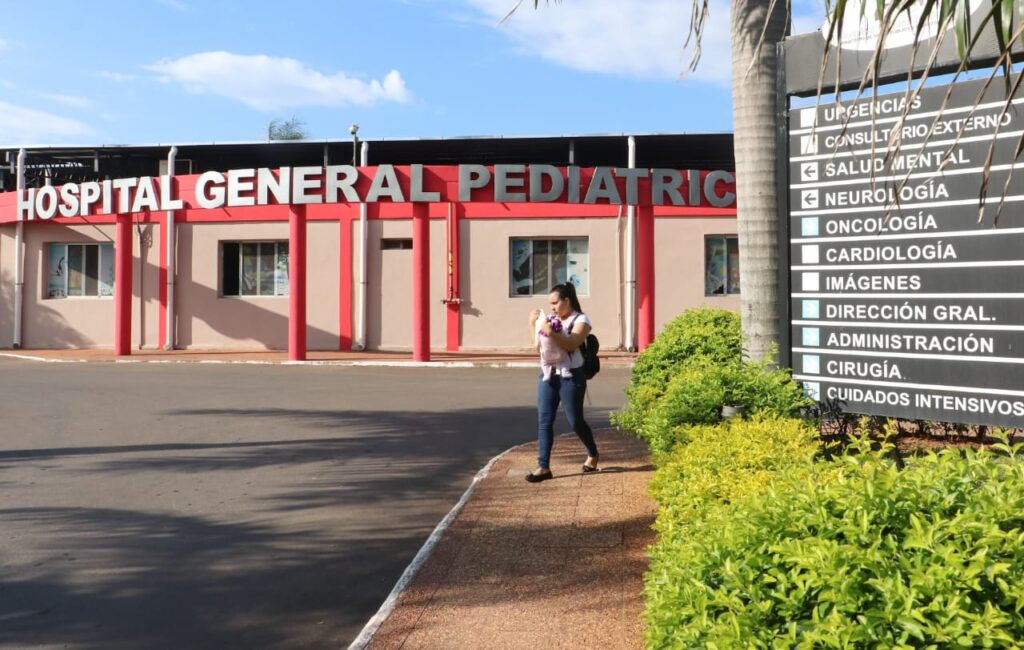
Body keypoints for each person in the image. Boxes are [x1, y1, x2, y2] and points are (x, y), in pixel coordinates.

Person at [525, 283, 599, 483]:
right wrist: (533, 324)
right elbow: (538, 348)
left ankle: (592, 453)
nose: (552, 308)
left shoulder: (581, 320)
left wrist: (551, 332)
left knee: (575, 420)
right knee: (544, 421)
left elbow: (571, 344)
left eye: (555, 303)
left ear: (567, 301)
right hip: (549, 376)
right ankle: (543, 467)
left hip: (572, 377)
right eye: (550, 304)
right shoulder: (551, 320)